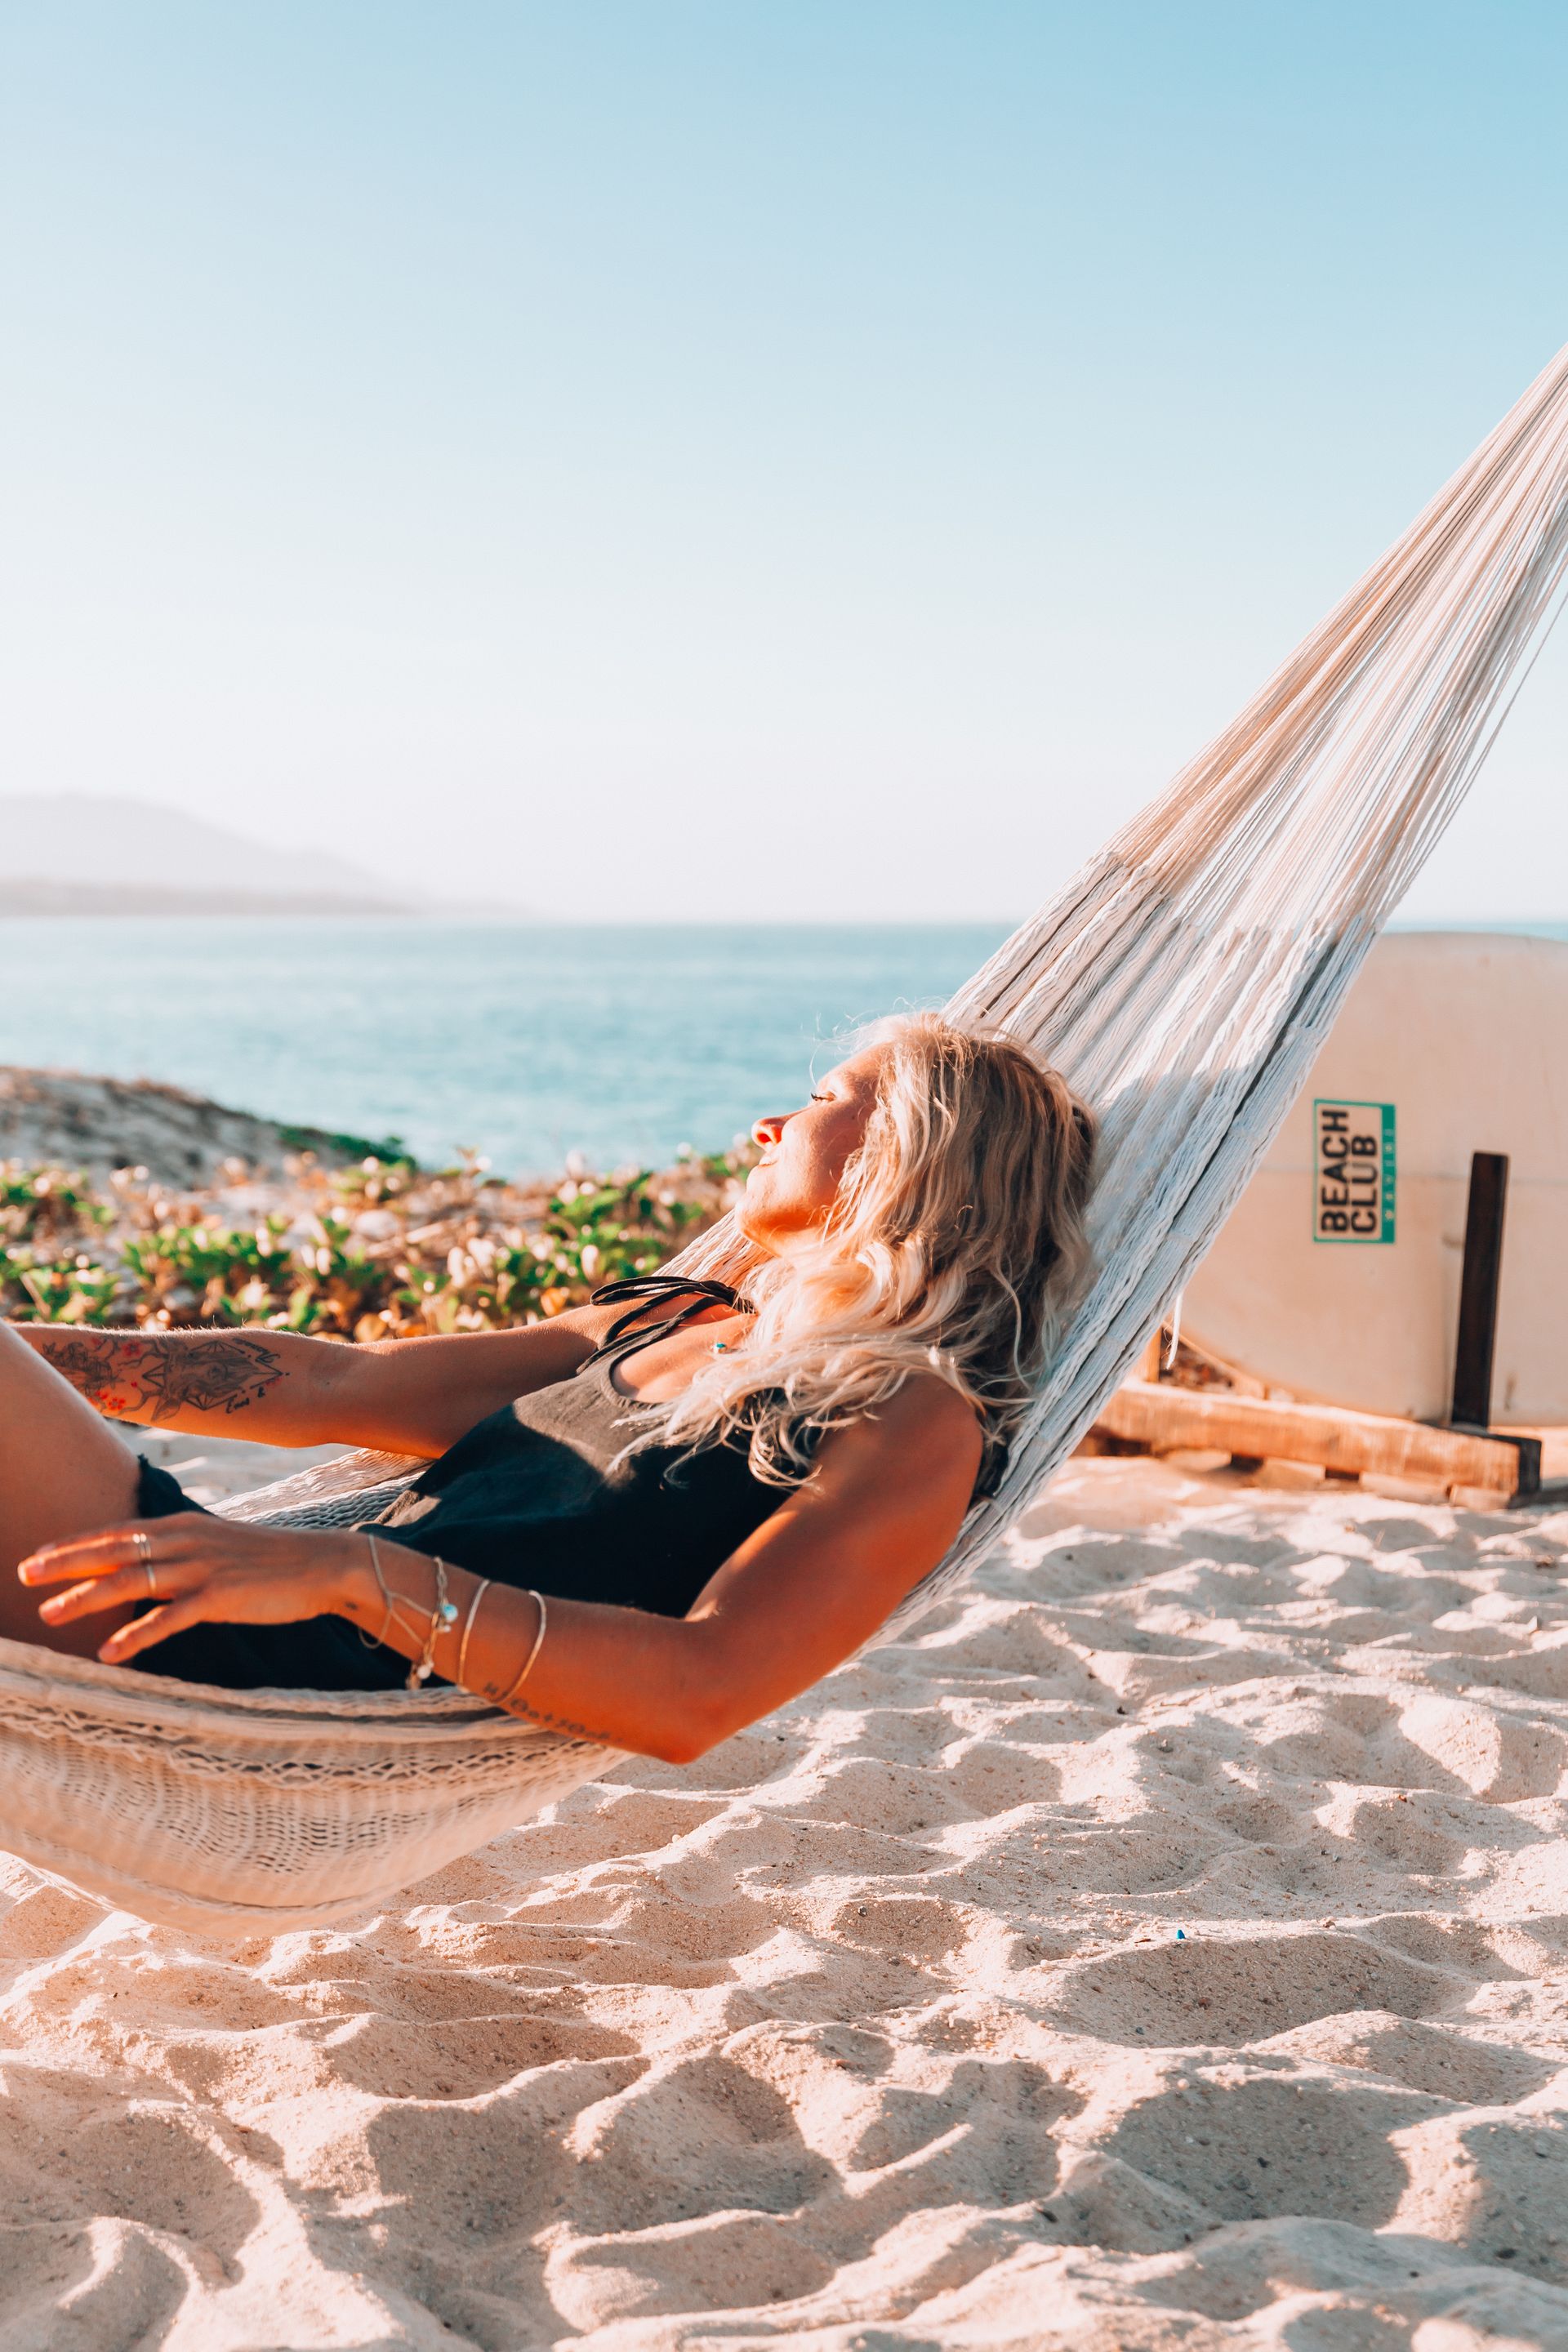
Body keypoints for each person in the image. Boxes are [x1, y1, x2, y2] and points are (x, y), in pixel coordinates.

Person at [2, 1016, 1094, 1764]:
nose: (768, 1126)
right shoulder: (672, 1316)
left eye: (819, 1100)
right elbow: (340, 1379)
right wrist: (32, 1348)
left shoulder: (912, 1418)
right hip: (231, 1596)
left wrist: (350, 1572)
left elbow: (699, 1690)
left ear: (904, 1154)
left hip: (285, 1688)